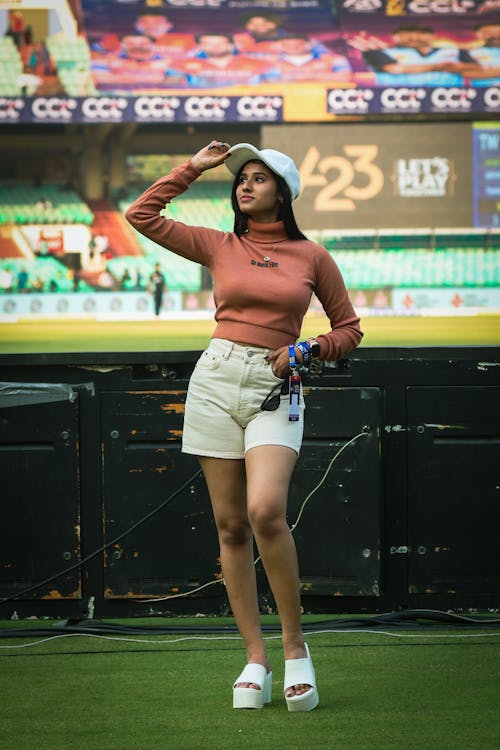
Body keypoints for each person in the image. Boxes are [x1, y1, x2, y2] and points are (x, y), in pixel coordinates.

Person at [126, 140, 363, 711]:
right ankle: (254, 658)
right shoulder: (220, 245)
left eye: (258, 178)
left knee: (265, 512)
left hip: (275, 385)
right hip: (214, 379)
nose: (244, 185)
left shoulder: (312, 257)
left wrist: (308, 348)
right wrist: (193, 168)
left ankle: (295, 647)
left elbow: (350, 328)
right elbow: (141, 215)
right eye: (240, 179)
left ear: (283, 192)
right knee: (231, 527)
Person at [350, 25, 476, 87]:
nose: (413, 37)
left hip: (453, 100)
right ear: (394, 36)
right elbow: (395, 69)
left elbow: (477, 69)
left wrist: (456, 68)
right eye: (406, 33)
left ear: (432, 36)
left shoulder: (453, 51)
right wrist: (437, 67)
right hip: (395, 100)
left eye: (420, 33)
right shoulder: (377, 52)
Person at [164, 33, 278, 88]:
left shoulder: (261, 64)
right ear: (200, 46)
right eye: (208, 44)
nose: (215, 47)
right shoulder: (181, 65)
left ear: (231, 45)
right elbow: (169, 89)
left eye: (220, 43)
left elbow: (277, 88)